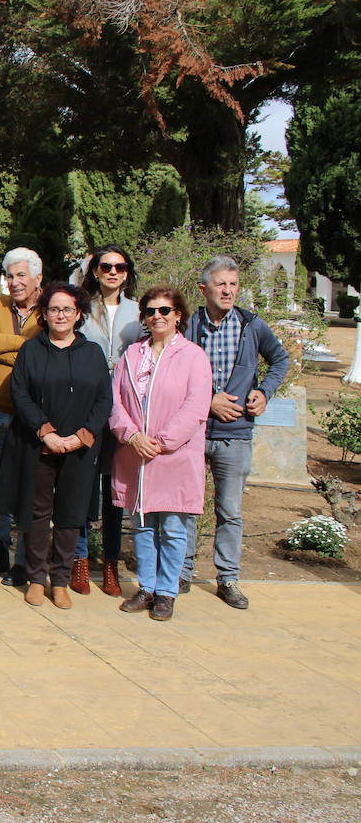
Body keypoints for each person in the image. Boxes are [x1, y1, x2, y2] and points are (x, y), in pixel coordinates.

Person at [0, 283, 111, 609]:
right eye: (54, 309)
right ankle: (35, 577)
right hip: (38, 444)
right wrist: (45, 432)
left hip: (80, 448)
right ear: (44, 314)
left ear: (78, 314)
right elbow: (20, 393)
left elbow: (104, 399)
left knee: (71, 514)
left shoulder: (93, 353)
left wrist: (81, 436)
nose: (60, 315)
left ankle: (60, 580)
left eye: (67, 309)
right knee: (37, 513)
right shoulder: (32, 350)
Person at [182, 256, 290, 609]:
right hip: (193, 432)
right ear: (204, 289)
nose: (228, 290)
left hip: (235, 434)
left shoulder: (251, 326)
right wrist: (207, 401)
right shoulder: (188, 325)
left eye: (233, 284)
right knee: (186, 507)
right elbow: (172, 372)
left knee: (230, 510)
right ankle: (182, 573)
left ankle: (228, 578)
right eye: (220, 284)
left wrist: (265, 391)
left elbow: (280, 360)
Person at [111, 288, 212, 621]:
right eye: (151, 311)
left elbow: (196, 405)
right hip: (136, 454)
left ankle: (167, 592)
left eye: (165, 310)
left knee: (172, 526)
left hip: (173, 456)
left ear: (178, 314)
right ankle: (147, 587)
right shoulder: (131, 356)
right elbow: (115, 402)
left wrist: (162, 441)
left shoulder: (193, 356)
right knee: (141, 524)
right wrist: (133, 436)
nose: (158, 316)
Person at [0, 247, 45, 585]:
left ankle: (22, 559)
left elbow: (42, 355)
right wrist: (22, 345)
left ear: (37, 278)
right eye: (10, 276)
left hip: (31, 417)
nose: (14, 282)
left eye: (21, 276)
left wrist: (7, 353)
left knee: (27, 486)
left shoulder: (48, 308)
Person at [77, 245, 143, 596]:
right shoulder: (83, 308)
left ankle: (112, 563)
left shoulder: (138, 311)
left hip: (125, 408)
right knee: (84, 487)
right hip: (89, 405)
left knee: (116, 492)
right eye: (106, 266)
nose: (113, 272)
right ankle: (81, 559)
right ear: (96, 271)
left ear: (127, 272)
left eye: (120, 266)